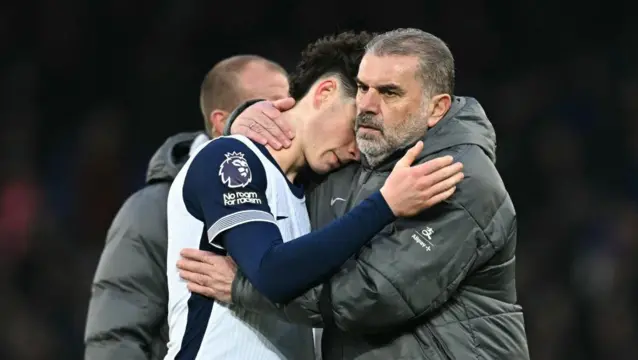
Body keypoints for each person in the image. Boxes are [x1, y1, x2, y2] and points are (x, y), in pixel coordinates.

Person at [178, 28, 530, 359]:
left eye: (389, 92)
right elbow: (288, 146)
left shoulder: (457, 177)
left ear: (436, 108)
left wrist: (245, 289)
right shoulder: (356, 159)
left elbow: (373, 297)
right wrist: (244, 119)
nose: (368, 106)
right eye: (363, 88)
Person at [84, 55, 289, 360]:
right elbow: (115, 336)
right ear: (223, 122)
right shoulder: (153, 209)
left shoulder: (292, 195)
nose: (284, 117)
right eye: (269, 104)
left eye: (289, 105)